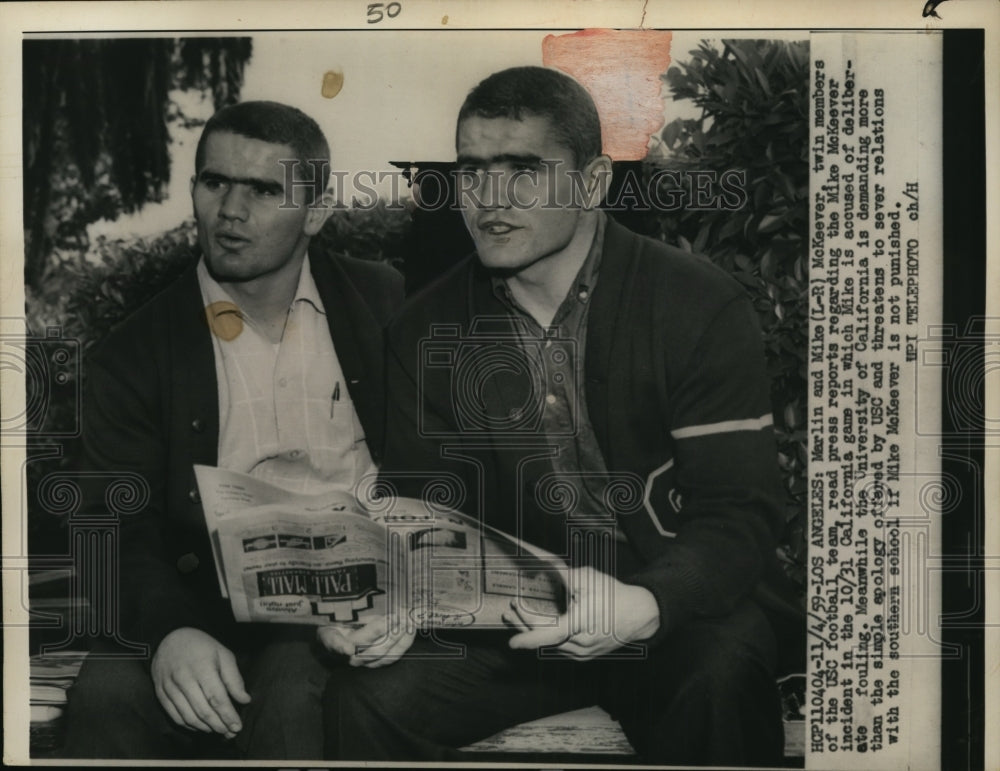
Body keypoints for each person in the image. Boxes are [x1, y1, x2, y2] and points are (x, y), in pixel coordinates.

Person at [319, 66, 786, 766]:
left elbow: (740, 511)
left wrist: (646, 602)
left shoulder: (696, 302)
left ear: (593, 183)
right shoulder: (425, 328)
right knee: (367, 700)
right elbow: (428, 510)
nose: (490, 199)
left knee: (721, 675)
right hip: (511, 618)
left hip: (671, 605)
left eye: (524, 170)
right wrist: (386, 600)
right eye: (473, 171)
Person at [63, 100, 404, 759]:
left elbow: (435, 463)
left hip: (350, 605)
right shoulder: (133, 352)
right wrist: (169, 632)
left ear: (316, 210)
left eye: (264, 189)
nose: (231, 211)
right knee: (106, 695)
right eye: (215, 182)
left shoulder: (386, 305)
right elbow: (110, 526)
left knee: (292, 686)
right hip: (198, 599)